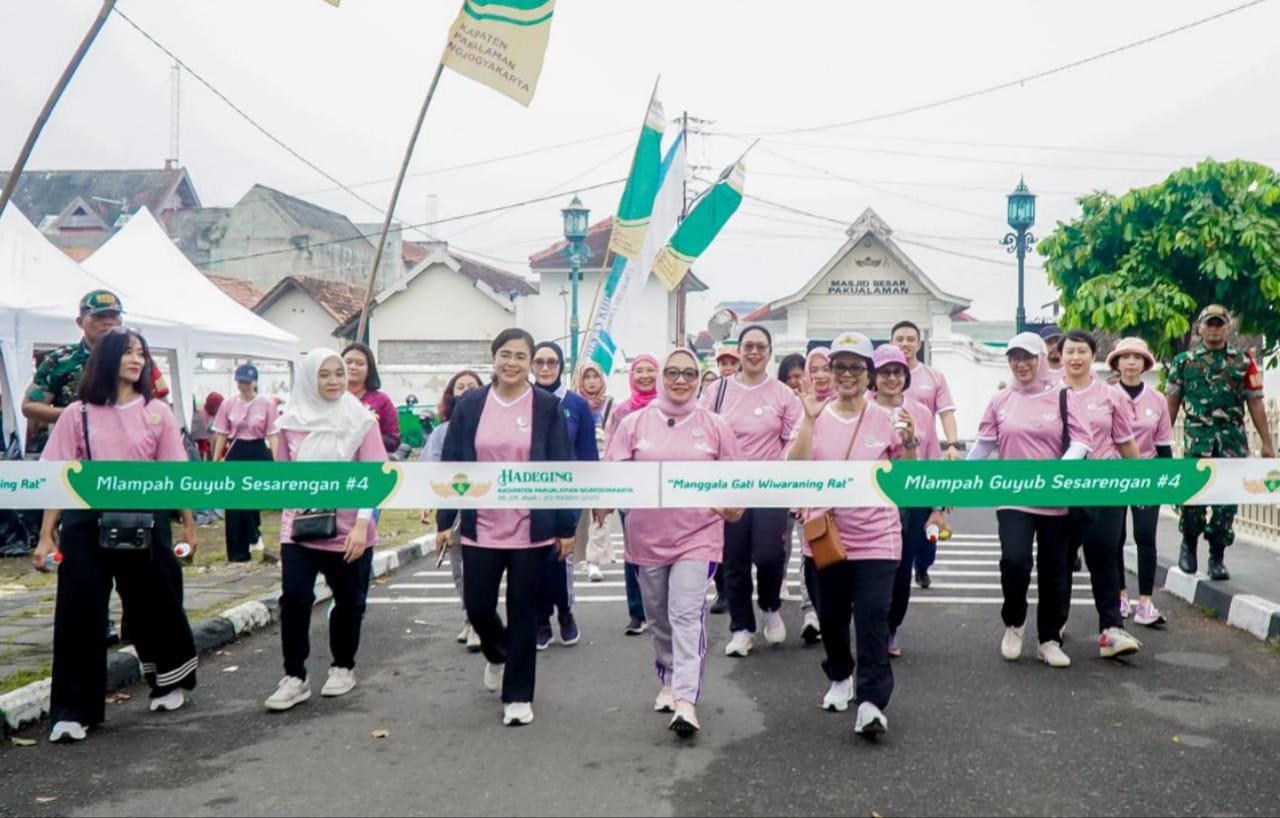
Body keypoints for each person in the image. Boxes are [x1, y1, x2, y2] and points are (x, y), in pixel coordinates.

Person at [34, 327, 199, 743]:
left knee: (155, 600)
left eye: (141, 353)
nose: (136, 360)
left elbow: (176, 475)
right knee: (80, 611)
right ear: (107, 359)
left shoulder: (157, 412)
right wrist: (46, 536)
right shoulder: (78, 414)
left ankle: (167, 681)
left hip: (146, 519)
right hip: (87, 524)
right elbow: (59, 477)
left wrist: (189, 525)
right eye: (128, 352)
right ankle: (74, 711)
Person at [436, 329, 576, 727]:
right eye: (505, 355)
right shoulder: (471, 404)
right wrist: (445, 520)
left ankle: (518, 696)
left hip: (531, 529)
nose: (512, 363)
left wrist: (566, 526)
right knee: (478, 606)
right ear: (493, 357)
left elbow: (560, 467)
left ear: (530, 362)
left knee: (523, 612)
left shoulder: (546, 406)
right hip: (481, 526)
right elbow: (452, 462)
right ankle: (499, 653)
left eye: (520, 356)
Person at [601, 348, 744, 737]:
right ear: (663, 377)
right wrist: (603, 503)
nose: (681, 380)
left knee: (685, 612)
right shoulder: (634, 424)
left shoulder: (715, 425)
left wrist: (734, 506)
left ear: (699, 379)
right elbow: (613, 474)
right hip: (647, 538)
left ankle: (685, 699)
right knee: (659, 616)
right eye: (674, 373)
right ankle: (667, 675)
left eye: (690, 374)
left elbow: (736, 478)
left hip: (698, 536)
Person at [787, 332, 919, 739]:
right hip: (827, 536)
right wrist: (808, 418)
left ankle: (871, 702)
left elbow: (907, 475)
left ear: (870, 375)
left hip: (878, 536)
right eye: (839, 367)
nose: (846, 375)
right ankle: (840, 675)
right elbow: (795, 466)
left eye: (855, 368)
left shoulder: (888, 418)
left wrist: (911, 442)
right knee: (831, 616)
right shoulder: (815, 415)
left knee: (873, 618)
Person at [264, 348, 388, 712]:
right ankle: (294, 676)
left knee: (349, 603)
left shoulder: (361, 420)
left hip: (350, 528)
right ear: (308, 378)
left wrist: (363, 525)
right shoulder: (288, 423)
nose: (335, 380)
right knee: (295, 598)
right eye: (324, 374)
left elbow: (376, 477)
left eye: (339, 373)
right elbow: (282, 482)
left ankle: (342, 666)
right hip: (300, 528)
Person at [968, 332, 1091, 669]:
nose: (1021, 364)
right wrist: (955, 483)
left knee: (1055, 570)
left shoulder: (1064, 396)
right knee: (1016, 562)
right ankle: (1015, 621)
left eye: (1027, 357)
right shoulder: (1000, 400)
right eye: (1014, 358)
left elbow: (1082, 442)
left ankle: (1049, 639)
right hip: (1013, 497)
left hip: (1056, 499)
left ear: (1040, 358)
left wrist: (1057, 474)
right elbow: (983, 445)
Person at [702, 325, 803, 657]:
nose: (754, 352)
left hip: (770, 487)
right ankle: (742, 628)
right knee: (735, 560)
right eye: (748, 346)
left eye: (761, 346)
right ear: (740, 350)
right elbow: (703, 432)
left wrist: (782, 465)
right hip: (730, 486)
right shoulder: (717, 391)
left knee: (769, 554)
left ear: (770, 352)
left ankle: (771, 606)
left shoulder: (782, 394)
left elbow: (795, 438)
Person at [1167, 305, 1275, 580]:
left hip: (1231, 442)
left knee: (1227, 504)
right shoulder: (1183, 362)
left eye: (1219, 324)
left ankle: (1217, 555)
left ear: (1228, 327)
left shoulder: (1243, 361)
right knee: (1193, 500)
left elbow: (1255, 401)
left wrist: (1266, 442)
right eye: (1209, 324)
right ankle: (1189, 544)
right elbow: (1172, 402)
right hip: (1197, 442)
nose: (1214, 328)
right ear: (1200, 328)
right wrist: (1163, 438)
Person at [1060, 330, 1144, 659]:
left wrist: (1139, 481)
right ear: (1061, 356)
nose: (1076, 357)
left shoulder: (1111, 396)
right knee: (1061, 557)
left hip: (1106, 483)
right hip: (1064, 487)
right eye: (1070, 351)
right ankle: (1055, 625)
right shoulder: (1051, 393)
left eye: (1082, 351)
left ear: (1092, 355)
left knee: (1103, 552)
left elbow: (1125, 442)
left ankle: (1111, 628)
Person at [871, 345, 946, 659]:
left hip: (912, 503)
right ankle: (870, 627)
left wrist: (938, 507)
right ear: (874, 376)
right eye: (885, 372)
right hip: (871, 501)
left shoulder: (921, 412)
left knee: (901, 570)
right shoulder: (862, 407)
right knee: (872, 570)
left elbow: (932, 460)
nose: (891, 378)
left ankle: (890, 627)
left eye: (897, 372)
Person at [531, 341, 597, 650]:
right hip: (528, 493)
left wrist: (595, 497)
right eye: (540, 362)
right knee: (537, 560)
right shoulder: (523, 401)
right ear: (532, 366)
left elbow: (587, 454)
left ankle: (566, 612)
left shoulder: (577, 405)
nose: (545, 368)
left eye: (551, 362)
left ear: (561, 366)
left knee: (561, 557)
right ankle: (541, 619)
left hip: (568, 494)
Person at [1108, 338, 1173, 628]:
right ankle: (1120, 596)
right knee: (1114, 538)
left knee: (1146, 536)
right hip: (1111, 474)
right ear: (1117, 363)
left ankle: (1145, 601)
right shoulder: (1105, 395)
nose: (1131, 363)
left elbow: (1164, 447)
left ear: (1146, 364)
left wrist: (1164, 483)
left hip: (1146, 474)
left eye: (1137, 358)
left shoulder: (1158, 400)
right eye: (1126, 357)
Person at [422, 370, 484, 651]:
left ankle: (479, 620)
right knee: (458, 568)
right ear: (451, 394)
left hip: (486, 508)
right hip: (454, 508)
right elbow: (430, 471)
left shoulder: (491, 426)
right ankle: (470, 617)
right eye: (461, 386)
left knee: (480, 568)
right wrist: (429, 504)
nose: (467, 390)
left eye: (473, 386)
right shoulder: (440, 433)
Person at [608, 355, 660, 635]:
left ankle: (660, 610)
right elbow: (612, 451)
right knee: (633, 552)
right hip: (631, 490)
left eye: (650, 370)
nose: (644, 375)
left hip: (663, 492)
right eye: (638, 370)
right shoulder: (621, 411)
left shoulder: (668, 407)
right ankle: (637, 612)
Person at [212, 364, 278, 563]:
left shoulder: (266, 403)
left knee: (250, 500)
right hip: (236, 450)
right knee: (234, 503)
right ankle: (237, 552)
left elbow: (273, 434)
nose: (243, 386)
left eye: (247, 382)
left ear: (255, 382)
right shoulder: (228, 403)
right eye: (240, 381)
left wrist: (277, 461)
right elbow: (222, 432)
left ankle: (253, 536)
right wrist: (216, 459)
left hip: (257, 450)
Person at [575, 361, 615, 581]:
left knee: (600, 517)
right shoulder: (574, 404)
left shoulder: (611, 405)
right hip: (582, 467)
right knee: (582, 518)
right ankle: (585, 557)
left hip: (605, 467)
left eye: (595, 377)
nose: (591, 382)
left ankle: (594, 561)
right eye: (587, 377)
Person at [343, 342, 401, 455]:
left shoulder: (381, 400)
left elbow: (393, 441)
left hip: (369, 467)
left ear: (369, 369)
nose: (353, 367)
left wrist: (365, 436)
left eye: (360, 363)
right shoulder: (331, 398)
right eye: (348, 362)